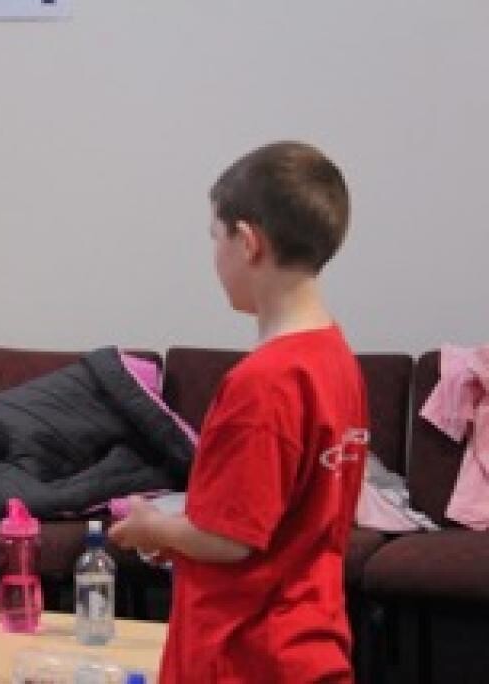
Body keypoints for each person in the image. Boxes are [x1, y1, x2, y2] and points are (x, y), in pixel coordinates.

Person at [109, 141, 369, 682]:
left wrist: (156, 528)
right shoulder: (336, 357)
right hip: (310, 641)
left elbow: (231, 539)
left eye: (216, 236)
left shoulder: (264, 382)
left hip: (246, 655)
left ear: (248, 242)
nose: (215, 256)